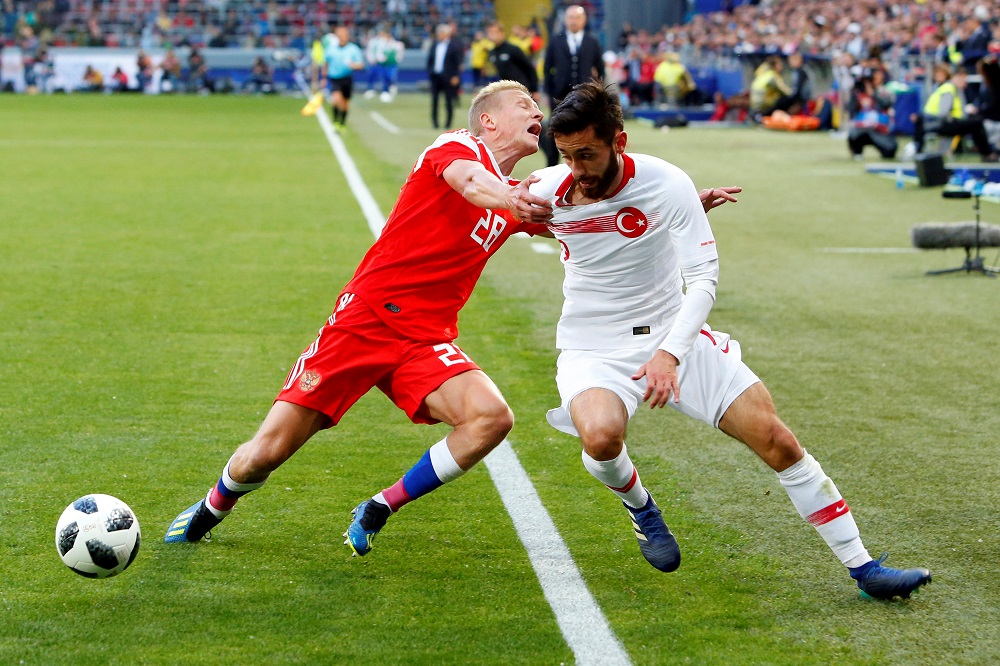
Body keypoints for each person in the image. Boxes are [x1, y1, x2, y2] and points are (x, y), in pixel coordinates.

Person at [528, 81, 932, 600]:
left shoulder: (667, 183)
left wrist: (669, 354)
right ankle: (642, 510)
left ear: (619, 143)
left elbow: (703, 278)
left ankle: (865, 568)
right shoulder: (547, 189)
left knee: (778, 440)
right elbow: (506, 221)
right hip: (593, 347)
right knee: (602, 438)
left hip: (676, 336)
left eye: (587, 154)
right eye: (567, 156)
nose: (578, 170)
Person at [164, 81, 555, 557]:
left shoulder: (515, 197)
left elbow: (578, 218)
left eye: (538, 106)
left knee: (490, 418)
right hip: (366, 321)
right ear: (489, 120)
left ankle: (379, 507)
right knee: (264, 456)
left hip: (423, 341)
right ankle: (212, 507)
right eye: (525, 105)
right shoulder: (457, 147)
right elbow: (472, 183)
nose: (538, 112)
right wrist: (513, 199)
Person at [541, 4, 604, 166]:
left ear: (584, 20)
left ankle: (586, 162)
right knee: (556, 129)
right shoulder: (556, 41)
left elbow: (600, 68)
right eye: (570, 17)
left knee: (586, 127)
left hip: (585, 95)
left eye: (577, 17)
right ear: (565, 20)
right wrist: (549, 92)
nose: (573, 21)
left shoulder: (592, 41)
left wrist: (598, 91)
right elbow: (548, 68)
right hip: (559, 94)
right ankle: (552, 164)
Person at [914, 63, 997, 162]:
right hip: (939, 124)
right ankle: (987, 154)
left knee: (974, 123)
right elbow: (943, 113)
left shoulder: (949, 88)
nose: (965, 82)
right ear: (956, 77)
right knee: (977, 124)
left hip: (934, 122)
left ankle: (982, 151)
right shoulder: (949, 88)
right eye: (963, 79)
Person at [321, 24, 365, 132]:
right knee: (336, 100)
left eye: (343, 35)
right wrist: (324, 77)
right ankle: (335, 121)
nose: (341, 37)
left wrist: (353, 65)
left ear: (347, 36)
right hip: (335, 78)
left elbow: (360, 65)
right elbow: (326, 63)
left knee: (345, 103)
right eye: (339, 35)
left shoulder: (353, 49)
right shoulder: (331, 49)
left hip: (347, 78)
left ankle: (342, 122)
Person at [847, 70, 897, 159]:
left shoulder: (883, 91)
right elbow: (851, 111)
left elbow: (886, 104)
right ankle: (857, 152)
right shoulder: (858, 94)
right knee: (853, 135)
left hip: (879, 129)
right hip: (862, 129)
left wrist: (873, 94)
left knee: (890, 150)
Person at [486, 21, 539, 101]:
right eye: (489, 33)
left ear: (501, 33)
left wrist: (534, 89)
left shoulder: (512, 49)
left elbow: (529, 68)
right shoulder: (492, 53)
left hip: (523, 89)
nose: (492, 36)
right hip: (507, 90)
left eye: (494, 32)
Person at [426, 23, 464, 129]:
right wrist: (430, 72)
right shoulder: (434, 45)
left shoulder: (453, 46)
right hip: (436, 77)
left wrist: (456, 76)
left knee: (448, 101)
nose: (439, 35)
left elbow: (457, 63)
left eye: (442, 33)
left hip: (448, 77)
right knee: (435, 101)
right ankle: (435, 123)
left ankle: (448, 124)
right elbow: (430, 60)